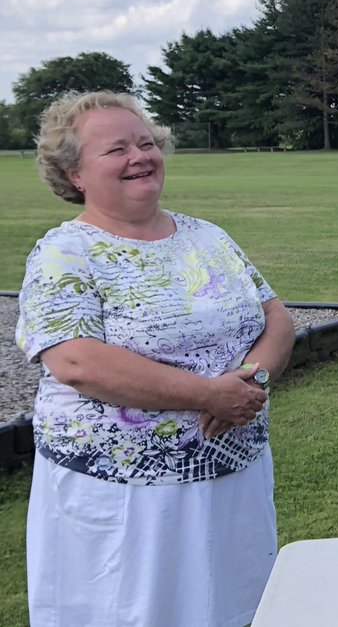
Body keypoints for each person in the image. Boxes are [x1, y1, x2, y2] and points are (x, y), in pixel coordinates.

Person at [16, 91, 295, 627]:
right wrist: (208, 395)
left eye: (146, 143)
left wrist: (249, 378)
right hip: (126, 499)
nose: (139, 156)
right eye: (116, 149)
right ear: (74, 174)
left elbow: (276, 317)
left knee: (233, 605)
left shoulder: (206, 236)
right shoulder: (63, 253)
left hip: (231, 479)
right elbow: (77, 362)